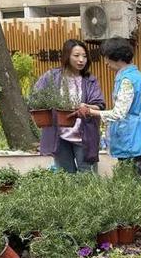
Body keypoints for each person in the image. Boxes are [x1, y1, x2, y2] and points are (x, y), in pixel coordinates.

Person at [72, 37, 141, 173]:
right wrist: (90, 106)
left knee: (129, 175)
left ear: (117, 58)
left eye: (107, 58)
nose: (106, 63)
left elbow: (118, 113)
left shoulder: (127, 80)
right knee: (133, 172)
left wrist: (90, 112)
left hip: (130, 135)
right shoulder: (136, 75)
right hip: (136, 133)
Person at [34, 39, 105, 173]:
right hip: (59, 137)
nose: (81, 60)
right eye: (76, 55)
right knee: (65, 177)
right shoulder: (52, 77)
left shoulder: (90, 80)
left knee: (88, 177)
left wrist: (86, 107)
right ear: (67, 56)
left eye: (84, 56)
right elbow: (36, 99)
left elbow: (99, 105)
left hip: (84, 136)